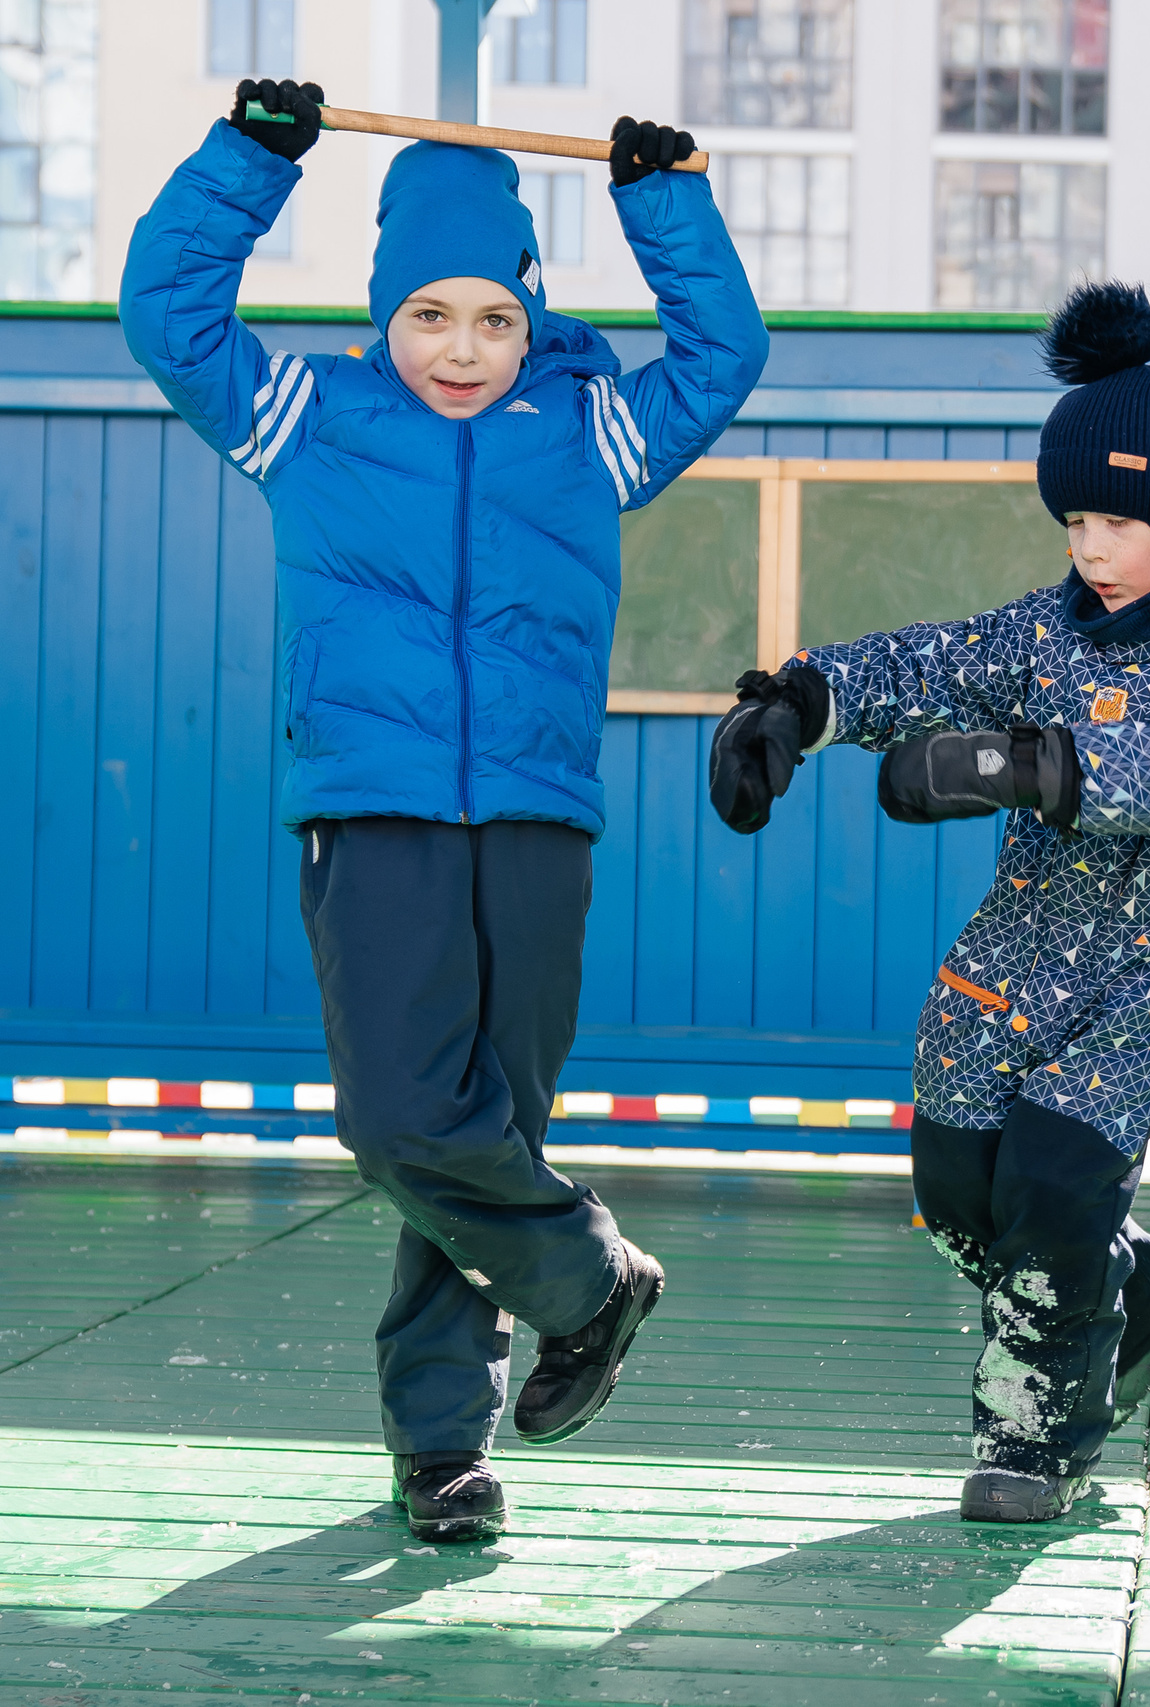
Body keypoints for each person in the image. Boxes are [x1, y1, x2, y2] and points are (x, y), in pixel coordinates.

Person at [120, 80, 770, 1543]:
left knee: (488, 1126)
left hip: (539, 815)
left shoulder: (592, 431)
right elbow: (168, 311)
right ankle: (590, 1283)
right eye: (429, 317)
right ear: (381, 320)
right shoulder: (308, 415)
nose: (462, 350)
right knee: (405, 1117)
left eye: (492, 317)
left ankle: (442, 1446)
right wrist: (251, 159)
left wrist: (662, 201)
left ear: (532, 315)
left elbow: (726, 349)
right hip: (377, 808)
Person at [706, 282, 1150, 1523]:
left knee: (1053, 1196)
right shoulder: (1059, 626)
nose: (1089, 548)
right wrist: (800, 705)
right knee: (956, 1194)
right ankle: (1127, 1292)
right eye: (1075, 519)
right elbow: (929, 659)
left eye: (1117, 521)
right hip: (1013, 958)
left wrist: (1021, 767)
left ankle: (1031, 1437)